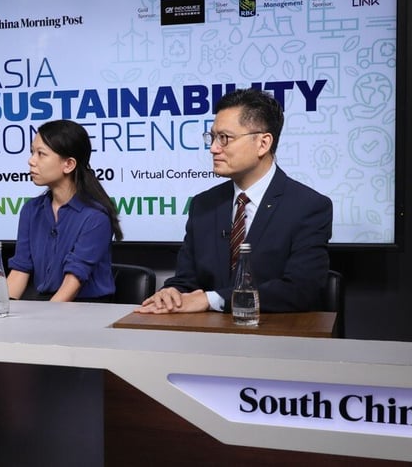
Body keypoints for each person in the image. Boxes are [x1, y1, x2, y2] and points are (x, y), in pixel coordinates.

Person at [137, 88, 332, 315]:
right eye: (212, 137)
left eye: (224, 138)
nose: (213, 148)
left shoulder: (308, 206)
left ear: (263, 143)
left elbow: (300, 290)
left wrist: (213, 299)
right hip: (205, 333)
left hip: (275, 332)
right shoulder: (204, 204)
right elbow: (186, 280)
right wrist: (172, 292)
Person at [6, 120, 123, 302]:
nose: (31, 161)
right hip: (46, 304)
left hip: (86, 308)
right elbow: (20, 269)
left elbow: (72, 282)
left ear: (68, 164)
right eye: (32, 152)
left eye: (41, 154)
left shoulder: (95, 217)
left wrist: (43, 317)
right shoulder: (31, 210)